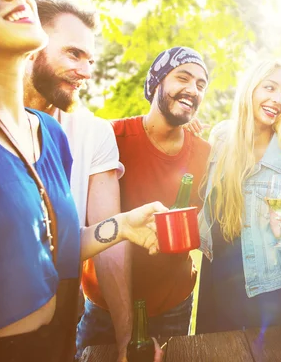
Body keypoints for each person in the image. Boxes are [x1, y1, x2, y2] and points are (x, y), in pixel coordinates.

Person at [0, 0, 165, 362]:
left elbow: (56, 249)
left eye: (90, 59)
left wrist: (120, 226)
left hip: (61, 341)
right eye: (73, 53)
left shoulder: (50, 133)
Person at [77, 46, 211, 353]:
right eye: (183, 78)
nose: (193, 90)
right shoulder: (111, 138)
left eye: (201, 85)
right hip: (103, 309)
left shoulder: (204, 153)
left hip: (173, 306)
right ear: (157, 82)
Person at [21, 0, 132, 361]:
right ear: (30, 42)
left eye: (89, 59)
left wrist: (126, 333)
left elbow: (106, 238)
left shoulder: (92, 133)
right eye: (73, 54)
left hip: (62, 327)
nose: (86, 71)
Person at [197, 60, 281, 332]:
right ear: (250, 89)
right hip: (214, 287)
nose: (278, 99)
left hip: (266, 295)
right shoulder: (221, 140)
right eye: (270, 88)